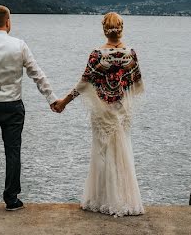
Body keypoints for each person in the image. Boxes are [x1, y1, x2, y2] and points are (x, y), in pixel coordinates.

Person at [0, 5, 59, 211]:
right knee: (13, 152)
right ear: (8, 21)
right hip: (12, 105)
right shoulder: (19, 46)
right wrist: (51, 98)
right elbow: (37, 74)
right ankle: (11, 199)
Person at [53, 11, 144, 217]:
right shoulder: (131, 54)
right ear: (121, 29)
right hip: (121, 111)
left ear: (104, 29)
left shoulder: (97, 54)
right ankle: (124, 199)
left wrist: (64, 102)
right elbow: (136, 84)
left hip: (101, 111)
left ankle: (103, 199)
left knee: (102, 153)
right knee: (122, 151)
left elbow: (84, 83)